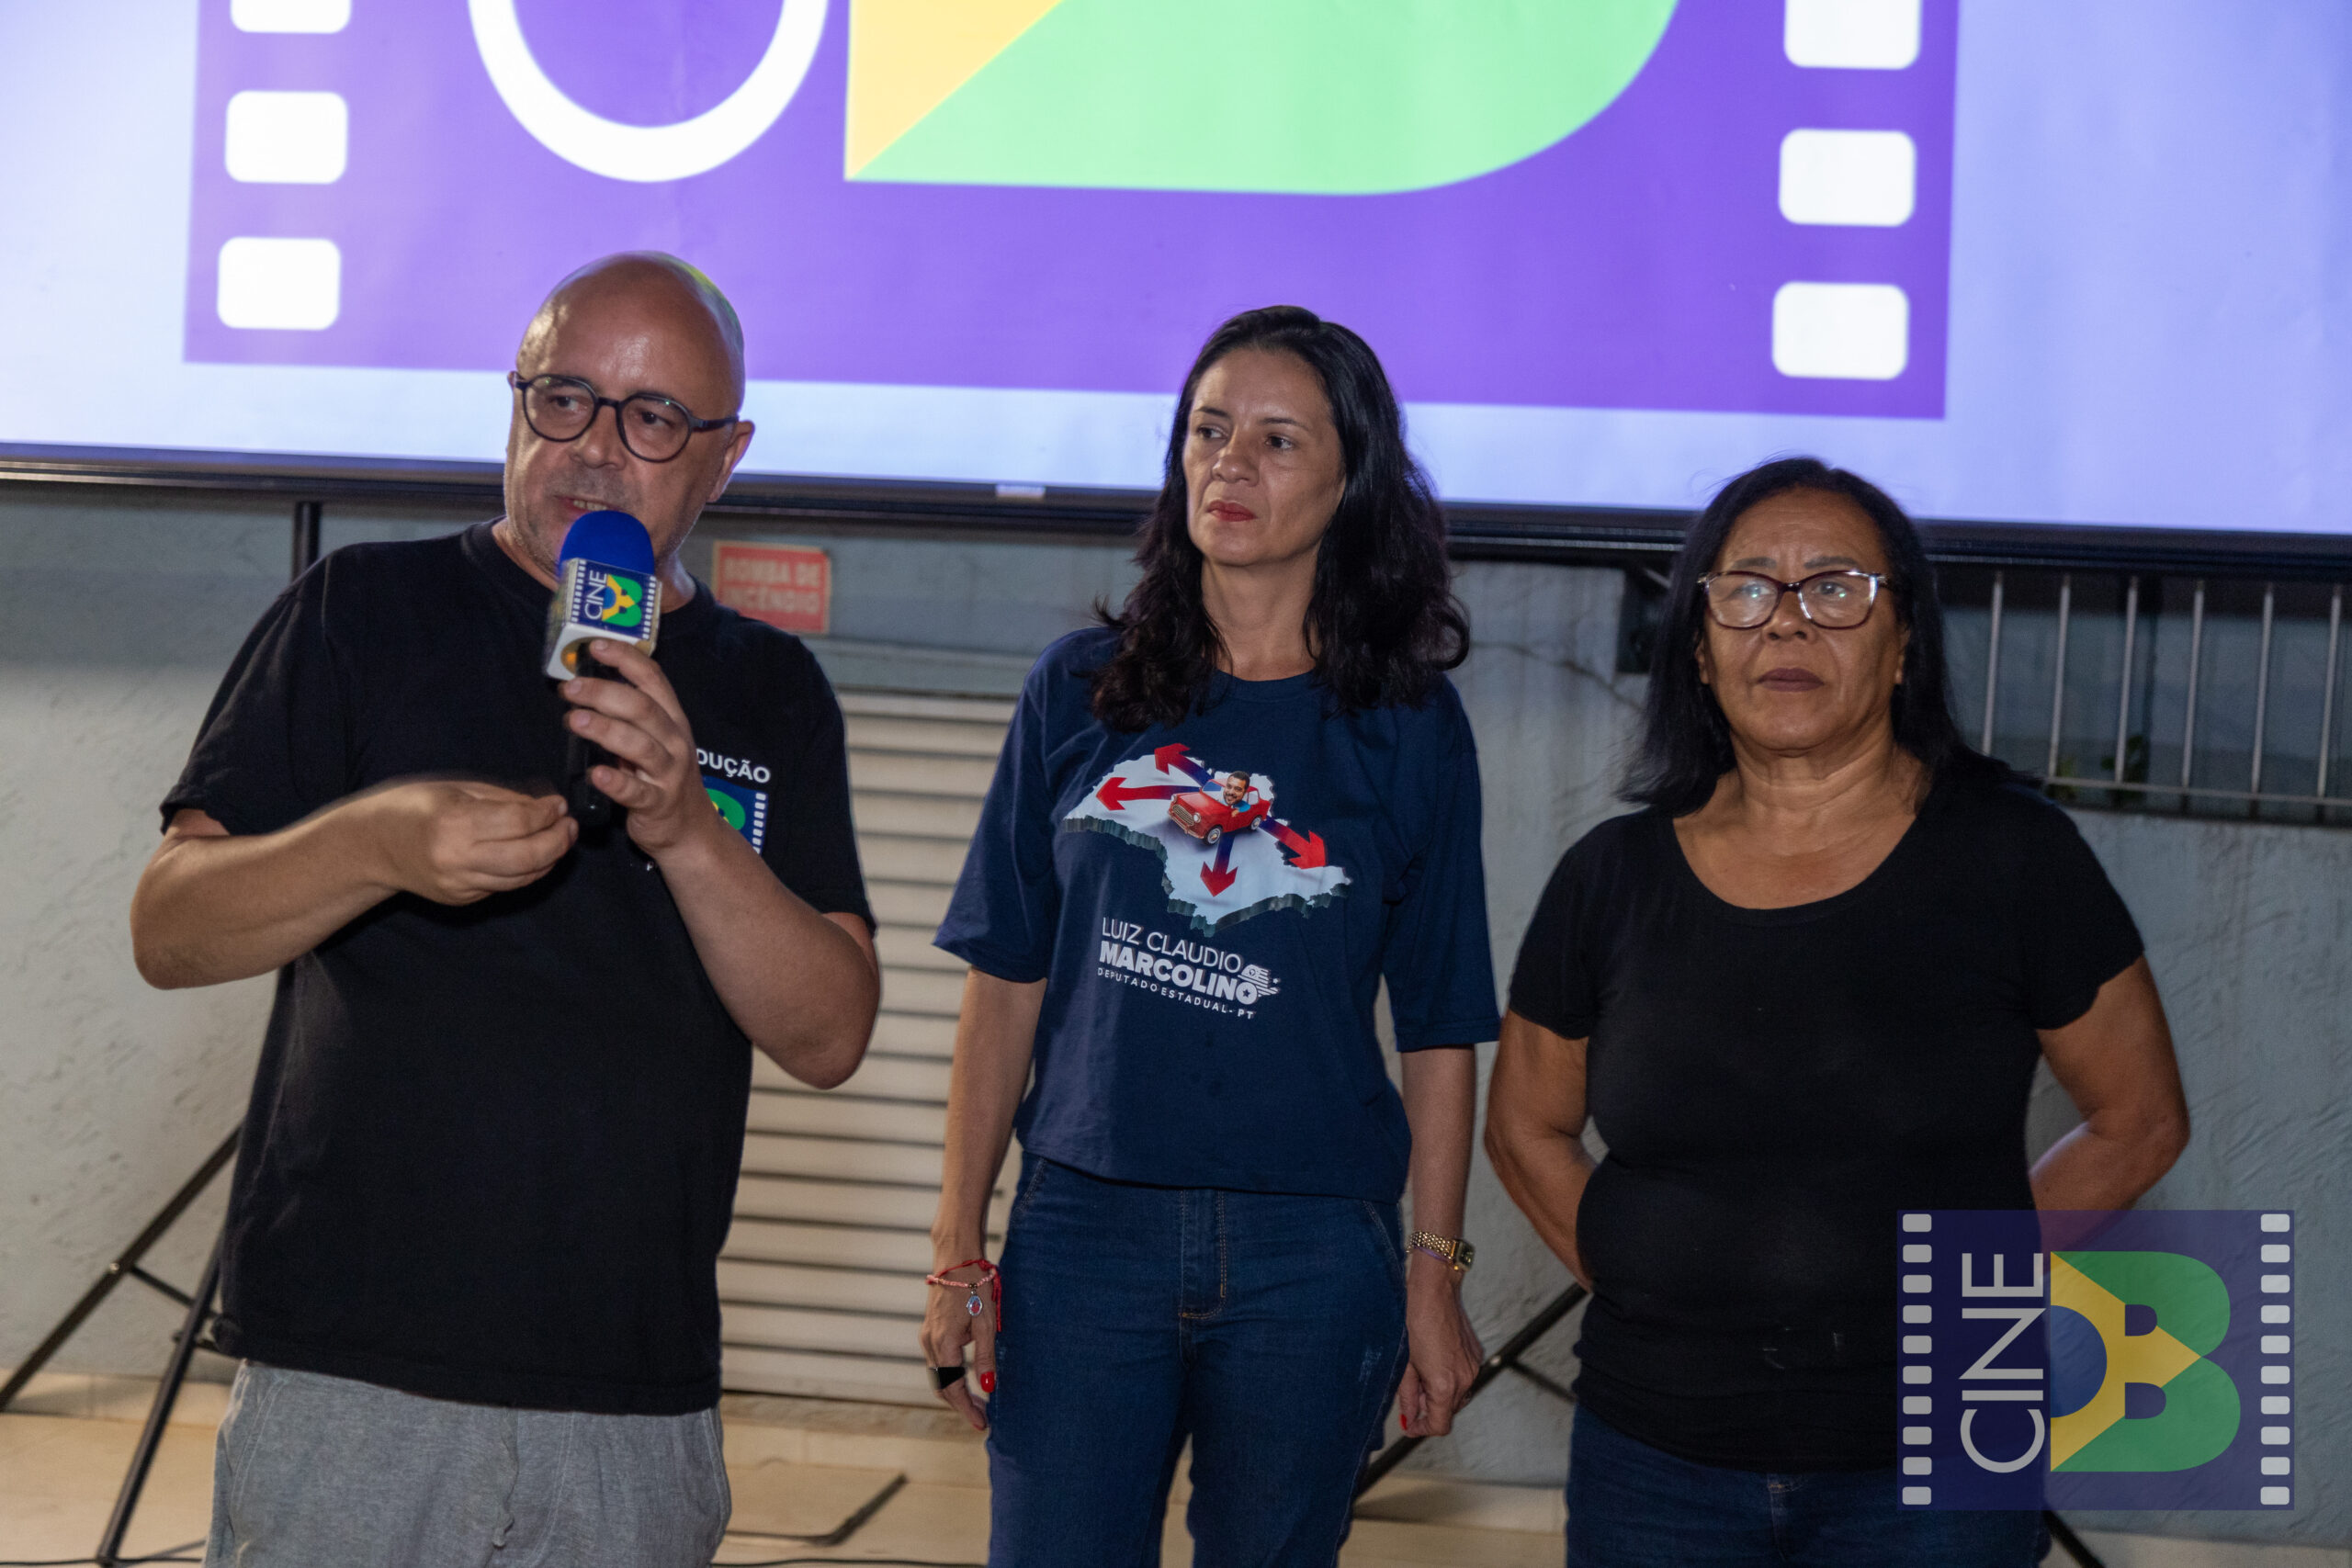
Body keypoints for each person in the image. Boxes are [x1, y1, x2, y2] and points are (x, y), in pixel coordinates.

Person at [128, 254, 880, 1568]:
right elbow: (169, 929)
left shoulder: (771, 688)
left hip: (629, 1394)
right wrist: (372, 842)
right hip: (354, 1371)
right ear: (516, 402)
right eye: (563, 398)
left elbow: (828, 1033)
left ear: (726, 455)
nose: (595, 448)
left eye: (654, 418)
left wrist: (686, 828)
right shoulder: (362, 609)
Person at [1485, 457, 2190, 1568]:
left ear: (1903, 643)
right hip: (1653, 1455)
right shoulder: (1609, 876)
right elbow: (1523, 1125)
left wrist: (1969, 1291)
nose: (1787, 620)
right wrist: (1646, 1273)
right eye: (1745, 588)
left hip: (1941, 1450)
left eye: (1835, 588)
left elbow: (2138, 1120)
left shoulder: (2014, 856)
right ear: (1700, 647)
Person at [923, 306, 1500, 1566]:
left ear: (1352, 483)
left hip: (1314, 1252)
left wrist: (1434, 1271)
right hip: (1085, 1235)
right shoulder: (1077, 689)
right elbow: (1004, 980)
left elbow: (1442, 1025)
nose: (1229, 463)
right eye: (1208, 429)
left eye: (1278, 439)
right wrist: (957, 1248)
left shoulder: (1410, 725)